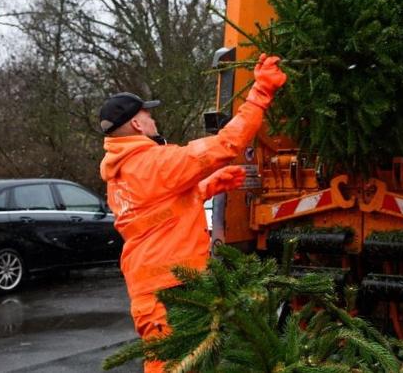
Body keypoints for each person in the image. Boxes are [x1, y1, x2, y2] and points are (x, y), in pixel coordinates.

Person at [99, 54, 286, 373]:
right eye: (149, 115)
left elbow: (155, 215)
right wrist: (261, 91)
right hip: (172, 290)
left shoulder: (121, 171)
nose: (153, 121)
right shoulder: (155, 162)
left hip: (155, 289)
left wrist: (206, 188)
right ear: (137, 124)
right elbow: (226, 144)